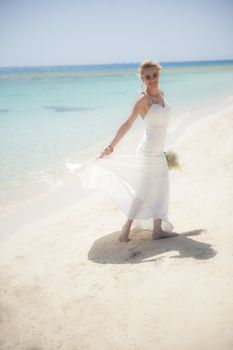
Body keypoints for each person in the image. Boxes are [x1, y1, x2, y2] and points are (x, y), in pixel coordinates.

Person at [71, 59, 177, 242]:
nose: (152, 79)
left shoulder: (162, 94)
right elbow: (128, 124)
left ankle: (157, 230)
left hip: (159, 151)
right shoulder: (143, 100)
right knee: (144, 190)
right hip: (147, 151)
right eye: (148, 76)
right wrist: (111, 146)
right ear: (142, 79)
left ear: (160, 75)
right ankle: (126, 227)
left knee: (161, 188)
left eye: (155, 75)